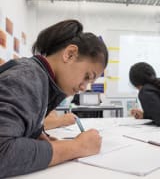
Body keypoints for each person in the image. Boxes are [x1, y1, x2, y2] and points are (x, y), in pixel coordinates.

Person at [0, 19, 108, 178]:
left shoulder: (41, 79)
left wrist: (35, 134)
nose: (84, 87)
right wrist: (77, 146)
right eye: (87, 76)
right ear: (70, 54)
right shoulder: (27, 78)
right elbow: (3, 153)